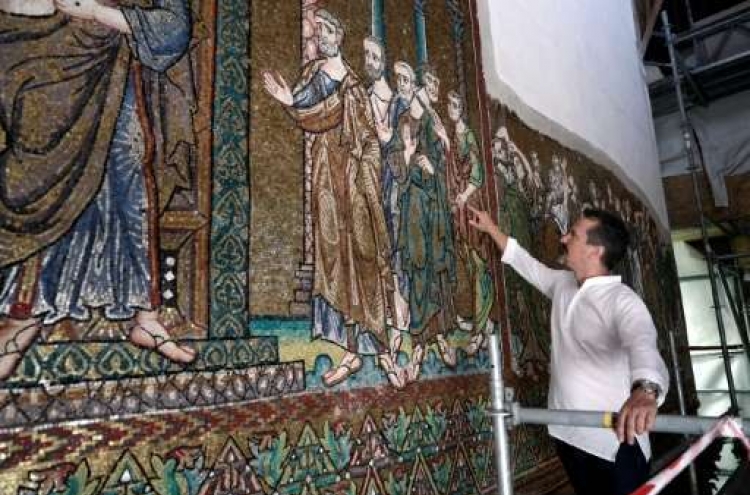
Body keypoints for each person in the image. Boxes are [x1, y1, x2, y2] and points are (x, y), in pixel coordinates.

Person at [0, 0, 198, 381]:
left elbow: (173, 26)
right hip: (48, 66)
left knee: (130, 175)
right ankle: (22, 316)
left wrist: (97, 13)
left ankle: (146, 315)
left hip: (116, 70)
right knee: (49, 177)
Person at [469, 206, 669, 495]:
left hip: (614, 446)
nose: (564, 238)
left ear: (595, 251)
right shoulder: (564, 285)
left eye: (573, 234)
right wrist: (490, 228)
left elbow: (642, 341)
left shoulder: (621, 300)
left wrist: (646, 389)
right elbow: (524, 263)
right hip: (567, 435)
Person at [262, 9, 402, 388]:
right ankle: (350, 352)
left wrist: (367, 168)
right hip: (327, 182)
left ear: (338, 35)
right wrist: (289, 100)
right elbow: (306, 106)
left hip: (354, 185)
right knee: (334, 261)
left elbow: (369, 140)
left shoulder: (353, 87)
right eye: (317, 30)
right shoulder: (313, 75)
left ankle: (385, 351)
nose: (319, 35)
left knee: (363, 259)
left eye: (325, 30)